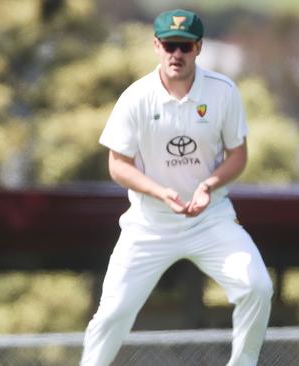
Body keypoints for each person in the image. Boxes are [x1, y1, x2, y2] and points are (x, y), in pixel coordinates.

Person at [81, 9, 273, 366]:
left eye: (184, 46)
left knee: (257, 286)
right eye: (169, 45)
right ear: (156, 46)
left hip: (210, 219)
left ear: (198, 48)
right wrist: (159, 192)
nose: (176, 54)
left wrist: (209, 186)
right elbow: (118, 165)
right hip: (149, 225)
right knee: (111, 315)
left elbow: (238, 155)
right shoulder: (136, 97)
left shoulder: (223, 92)